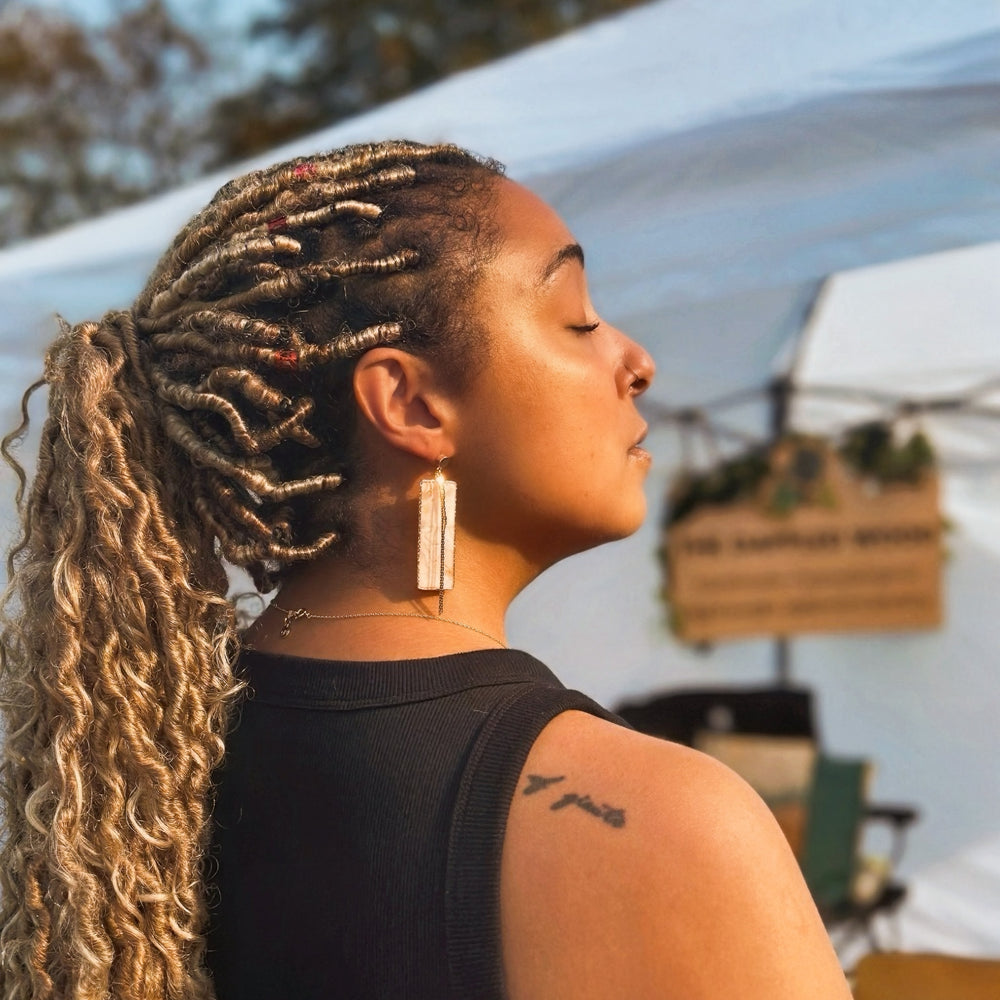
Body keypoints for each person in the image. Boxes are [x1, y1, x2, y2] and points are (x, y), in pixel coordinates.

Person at [0, 140, 851, 999]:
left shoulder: (124, 767)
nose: (636, 362)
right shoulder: (666, 826)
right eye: (579, 319)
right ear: (409, 404)